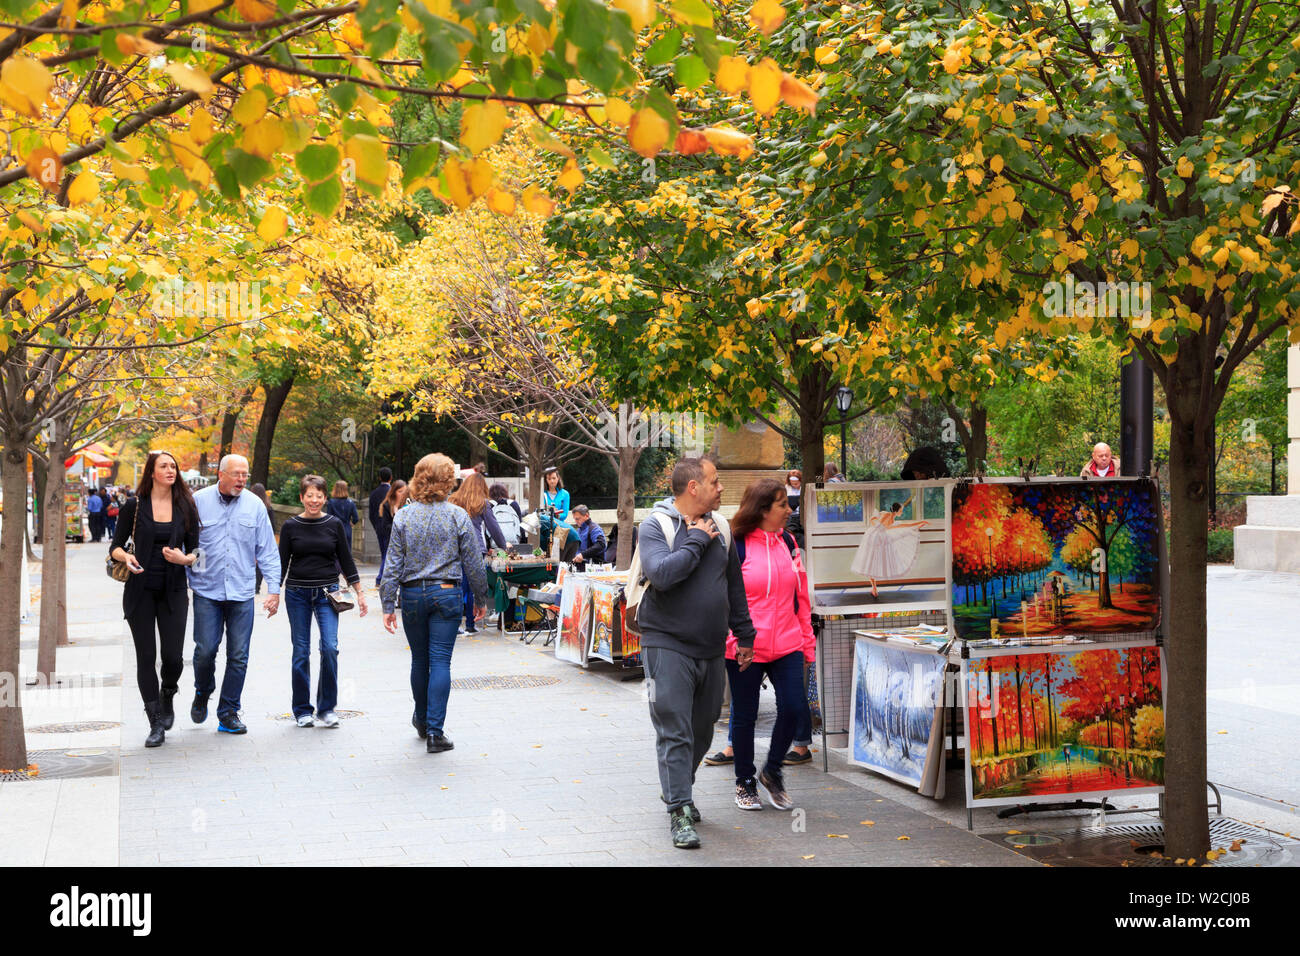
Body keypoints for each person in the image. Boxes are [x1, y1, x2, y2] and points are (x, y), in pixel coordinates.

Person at [637, 456, 756, 849]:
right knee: (674, 728)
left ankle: (677, 788)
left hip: (710, 648)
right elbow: (662, 575)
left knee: (703, 730)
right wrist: (696, 540)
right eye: (715, 482)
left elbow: (733, 585)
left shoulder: (722, 526)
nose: (722, 488)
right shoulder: (656, 525)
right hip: (665, 642)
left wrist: (745, 634)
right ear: (693, 487)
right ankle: (679, 811)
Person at [379, 453, 489, 753]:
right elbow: (474, 563)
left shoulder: (403, 515)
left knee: (419, 660)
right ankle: (435, 732)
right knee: (440, 661)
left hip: (413, 594)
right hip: (447, 593)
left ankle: (422, 719)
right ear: (447, 481)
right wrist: (480, 598)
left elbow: (392, 565)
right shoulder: (457, 516)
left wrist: (388, 604)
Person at [722, 478, 815, 811]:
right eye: (782, 505)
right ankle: (745, 782)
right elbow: (726, 598)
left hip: (788, 642)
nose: (789, 510)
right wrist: (734, 640)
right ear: (763, 509)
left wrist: (807, 643)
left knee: (794, 706)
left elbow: (801, 598)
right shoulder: (737, 544)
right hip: (746, 646)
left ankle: (772, 771)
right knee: (744, 717)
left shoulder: (788, 542)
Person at [110, 451, 201, 748]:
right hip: (140, 591)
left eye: (173, 466)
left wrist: (184, 559)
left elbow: (197, 551)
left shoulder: (185, 505)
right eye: (164, 466)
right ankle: (155, 723)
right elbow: (114, 547)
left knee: (174, 657)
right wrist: (127, 556)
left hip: (174, 590)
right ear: (152, 472)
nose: (170, 470)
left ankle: (168, 692)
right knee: (146, 657)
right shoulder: (135, 506)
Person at [188, 454, 281, 735]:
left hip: (241, 591)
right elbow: (185, 543)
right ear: (221, 474)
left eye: (245, 474)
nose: (242, 479)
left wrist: (274, 590)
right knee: (205, 651)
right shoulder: (197, 501)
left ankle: (228, 711)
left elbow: (266, 550)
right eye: (237, 474)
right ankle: (203, 691)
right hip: (206, 589)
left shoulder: (255, 506)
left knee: (238, 655)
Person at [279, 475, 368, 729]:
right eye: (310, 495)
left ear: (325, 498)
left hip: (328, 594)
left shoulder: (334, 524)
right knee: (300, 652)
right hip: (297, 594)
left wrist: (360, 593)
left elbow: (346, 560)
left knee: (330, 648)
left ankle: (327, 708)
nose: (314, 500)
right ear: (301, 497)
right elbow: (282, 563)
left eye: (319, 496)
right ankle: (302, 710)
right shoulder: (290, 526)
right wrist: (273, 594)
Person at [448, 472, 508, 633]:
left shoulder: (453, 500)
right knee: (472, 587)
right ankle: (470, 624)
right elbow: (493, 528)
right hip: (474, 548)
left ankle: (455, 624)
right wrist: (504, 546)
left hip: (454, 547)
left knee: (456, 585)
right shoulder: (482, 503)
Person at [850, 497, 928, 597]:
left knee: (876, 562)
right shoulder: (886, 514)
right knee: (870, 561)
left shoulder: (893, 521)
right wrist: (879, 527)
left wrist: (920, 524)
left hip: (882, 538)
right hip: (873, 536)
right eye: (901, 511)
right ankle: (874, 588)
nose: (901, 513)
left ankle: (874, 588)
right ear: (896, 511)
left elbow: (905, 525)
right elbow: (873, 520)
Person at [375, 479, 407, 585]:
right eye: (400, 491)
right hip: (392, 540)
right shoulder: (387, 505)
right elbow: (385, 526)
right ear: (394, 492)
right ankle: (383, 581)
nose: (402, 494)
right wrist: (397, 519)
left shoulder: (408, 505)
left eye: (404, 491)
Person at [369, 467, 393, 586]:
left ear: (379, 478)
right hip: (390, 526)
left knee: (384, 552)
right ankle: (380, 578)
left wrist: (376, 525)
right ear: (391, 478)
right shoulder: (393, 492)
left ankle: (382, 577)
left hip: (379, 526)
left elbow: (371, 514)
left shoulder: (374, 493)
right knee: (387, 553)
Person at [249, 482, 274, 595]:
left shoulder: (250, 506)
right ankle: (257, 586)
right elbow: (272, 525)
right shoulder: (268, 507)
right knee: (260, 562)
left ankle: (251, 582)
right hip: (263, 537)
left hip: (251, 536)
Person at [569, 505, 607, 571]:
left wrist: (583, 555)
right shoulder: (579, 530)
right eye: (574, 519)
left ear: (586, 516)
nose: (576, 521)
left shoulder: (594, 528)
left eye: (577, 519)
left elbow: (601, 544)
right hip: (581, 567)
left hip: (594, 567)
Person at [325, 479, 360, 549]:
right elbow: (356, 518)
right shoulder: (351, 502)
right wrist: (351, 523)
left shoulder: (331, 502)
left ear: (335, 489)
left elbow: (328, 518)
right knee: (347, 553)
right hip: (347, 529)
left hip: (334, 530)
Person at [487, 482, 523, 547]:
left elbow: (485, 526)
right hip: (513, 543)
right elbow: (520, 525)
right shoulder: (513, 504)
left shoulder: (489, 505)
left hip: (494, 544)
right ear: (505, 492)